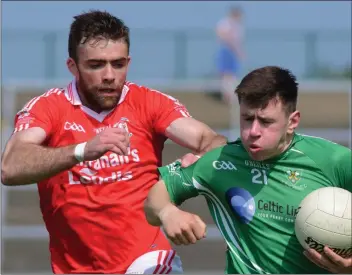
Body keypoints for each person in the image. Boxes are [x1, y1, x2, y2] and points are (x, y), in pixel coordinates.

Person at [1, 10, 227, 274]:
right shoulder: (48, 108)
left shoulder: (149, 103)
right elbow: (10, 167)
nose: (109, 75)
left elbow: (211, 139)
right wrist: (82, 151)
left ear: (128, 63)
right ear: (72, 66)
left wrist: (195, 166)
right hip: (75, 267)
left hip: (147, 259)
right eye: (96, 65)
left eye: (118, 64)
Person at [144, 66, 352, 274]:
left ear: (292, 122)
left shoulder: (333, 161)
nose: (253, 131)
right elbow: (155, 199)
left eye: (265, 121)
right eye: (247, 118)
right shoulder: (220, 162)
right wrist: (166, 211)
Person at [216, 6, 245, 103]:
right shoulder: (226, 24)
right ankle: (227, 95)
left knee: (232, 74)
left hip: (232, 52)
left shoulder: (237, 26)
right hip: (227, 51)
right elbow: (225, 37)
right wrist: (237, 50)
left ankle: (231, 95)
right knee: (226, 74)